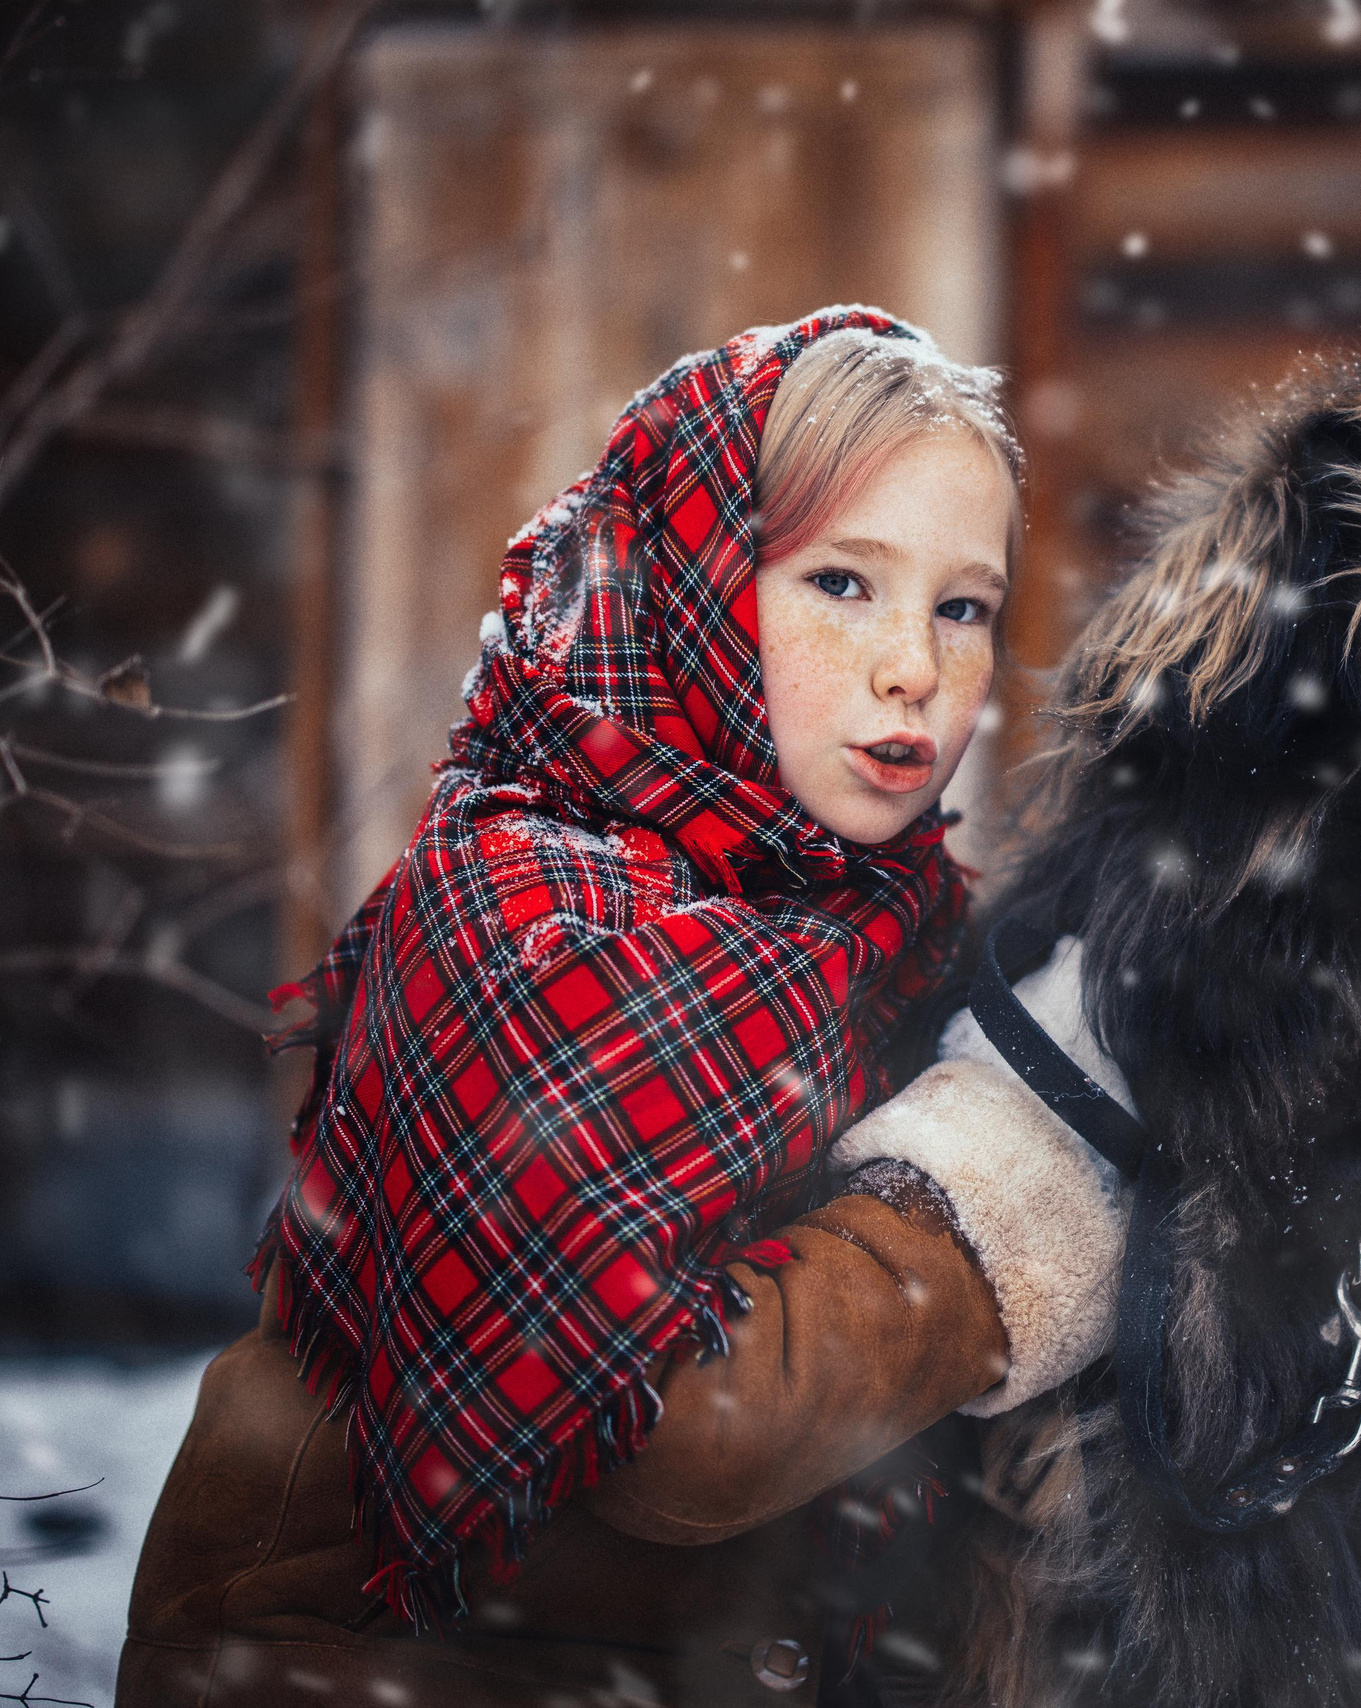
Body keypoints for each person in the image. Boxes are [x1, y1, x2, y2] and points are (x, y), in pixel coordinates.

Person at [117, 306, 1122, 1706]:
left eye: (963, 606)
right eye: (843, 583)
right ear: (687, 588)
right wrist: (986, 1223)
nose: (919, 668)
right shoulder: (521, 923)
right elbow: (674, 1426)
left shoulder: (889, 924)